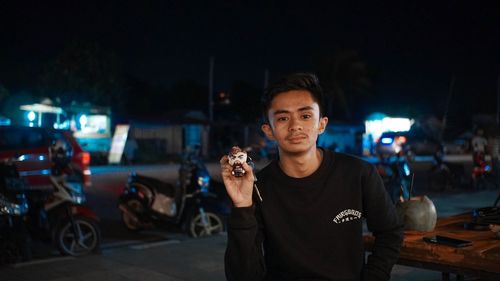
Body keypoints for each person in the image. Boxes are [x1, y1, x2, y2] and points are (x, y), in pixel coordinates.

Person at [220, 73, 404, 281]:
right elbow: (242, 276)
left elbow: (390, 232)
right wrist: (242, 206)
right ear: (269, 131)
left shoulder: (358, 173)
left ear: (321, 124)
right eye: (282, 118)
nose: (295, 125)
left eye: (305, 116)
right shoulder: (257, 187)